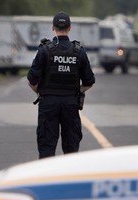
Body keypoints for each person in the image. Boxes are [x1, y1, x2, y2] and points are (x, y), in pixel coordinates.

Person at [27, 11, 95, 159]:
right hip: (71, 104)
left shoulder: (44, 50)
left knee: (46, 150)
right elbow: (89, 81)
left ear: (53, 28)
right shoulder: (79, 51)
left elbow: (31, 80)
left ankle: (47, 181)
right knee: (71, 151)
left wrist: (42, 92)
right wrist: (76, 90)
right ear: (69, 28)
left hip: (48, 103)